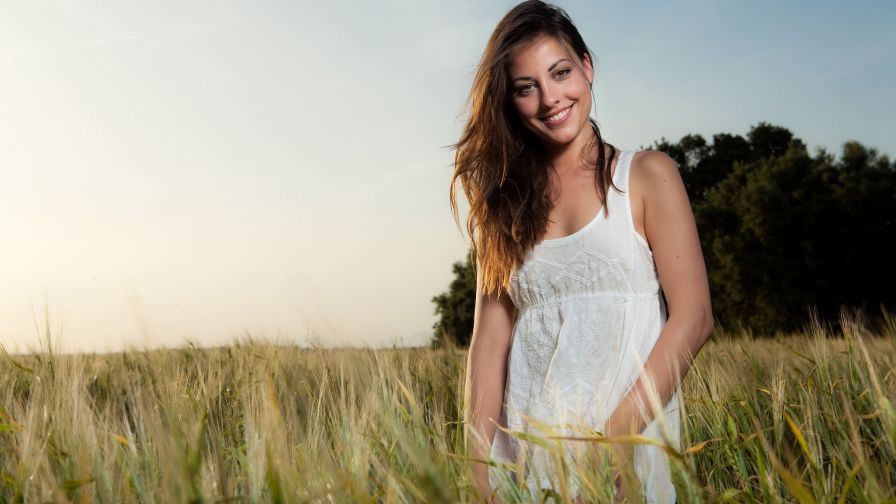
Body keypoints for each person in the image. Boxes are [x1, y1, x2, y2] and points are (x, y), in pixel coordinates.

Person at [451, 1, 714, 502]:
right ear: (511, 100)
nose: (551, 98)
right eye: (527, 88)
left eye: (561, 72)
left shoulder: (647, 175)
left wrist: (615, 441)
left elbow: (695, 317)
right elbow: (488, 345)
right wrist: (478, 469)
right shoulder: (502, 207)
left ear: (587, 67)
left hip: (626, 443)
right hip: (528, 451)